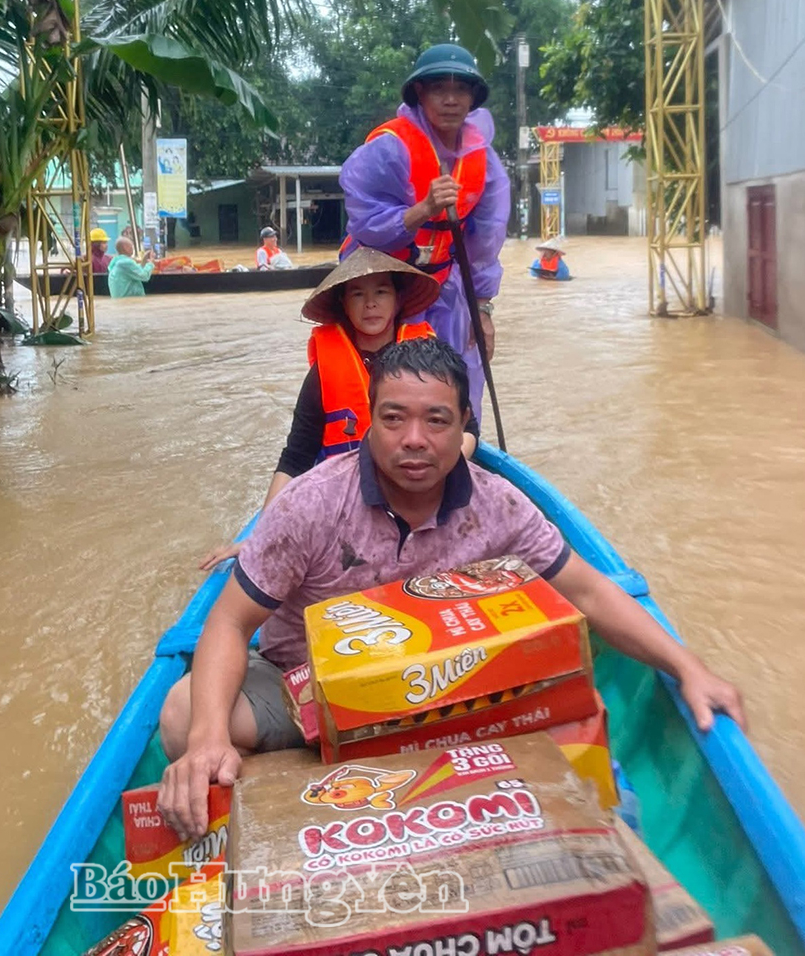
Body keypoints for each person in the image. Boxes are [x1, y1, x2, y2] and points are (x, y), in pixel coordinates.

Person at [159, 338, 747, 840]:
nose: (414, 439)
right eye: (394, 418)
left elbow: (590, 595)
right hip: (309, 690)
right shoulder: (309, 505)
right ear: (370, 419)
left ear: (464, 423)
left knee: (591, 760)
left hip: (453, 693)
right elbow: (231, 622)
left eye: (436, 420)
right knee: (185, 713)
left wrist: (687, 665)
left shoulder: (499, 507)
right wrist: (208, 740)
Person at [198, 246, 479, 570]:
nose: (370, 303)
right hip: (350, 502)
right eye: (357, 294)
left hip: (423, 493)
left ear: (398, 300)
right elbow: (296, 458)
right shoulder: (323, 373)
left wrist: (440, 467)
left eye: (381, 292)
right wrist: (260, 535)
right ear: (344, 305)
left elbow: (467, 430)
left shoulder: (428, 359)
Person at [339, 44, 510, 422]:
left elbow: (485, 243)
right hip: (382, 284)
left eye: (461, 90)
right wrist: (424, 210)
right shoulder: (389, 148)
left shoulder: (485, 162)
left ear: (473, 98)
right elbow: (366, 224)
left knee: (454, 382)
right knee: (379, 387)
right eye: (438, 88)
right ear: (420, 93)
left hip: (446, 286)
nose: (451, 100)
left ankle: (458, 454)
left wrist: (482, 310)